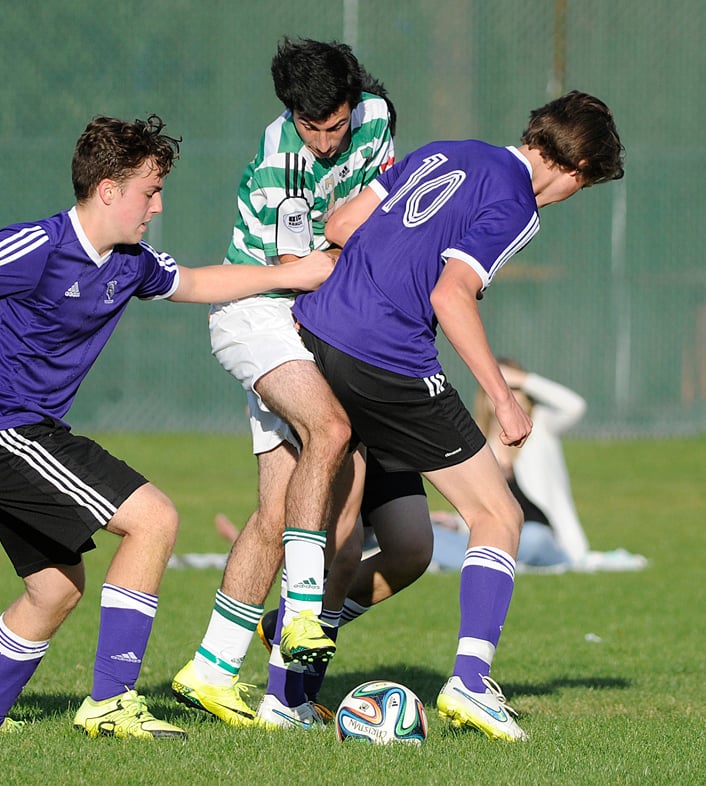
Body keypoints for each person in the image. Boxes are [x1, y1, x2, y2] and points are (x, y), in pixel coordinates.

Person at [0, 114, 334, 739]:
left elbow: (198, 281)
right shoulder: (41, 246)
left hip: (13, 433)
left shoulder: (130, 262)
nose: (158, 205)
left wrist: (290, 274)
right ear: (109, 190)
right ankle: (112, 702)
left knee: (55, 590)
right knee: (153, 519)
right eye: (150, 191)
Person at [292, 90, 625, 742]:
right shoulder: (518, 200)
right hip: (387, 354)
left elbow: (339, 226)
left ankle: (290, 673)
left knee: (411, 546)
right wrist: (502, 396)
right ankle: (471, 683)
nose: (570, 195)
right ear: (576, 165)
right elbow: (452, 293)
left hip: (322, 334)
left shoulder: (448, 150)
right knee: (497, 514)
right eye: (583, 185)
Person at [171, 37, 398, 728]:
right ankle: (300, 615)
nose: (326, 143)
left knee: (281, 516)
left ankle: (215, 672)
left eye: (335, 126)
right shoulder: (280, 168)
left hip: (307, 318)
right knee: (331, 430)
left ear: (353, 105)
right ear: (290, 116)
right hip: (259, 312)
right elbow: (309, 269)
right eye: (311, 128)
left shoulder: (379, 117)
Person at [430, 358, 648, 572]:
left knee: (532, 538)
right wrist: (454, 523)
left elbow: (575, 406)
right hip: (498, 533)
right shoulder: (478, 443)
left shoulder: (541, 427)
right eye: (496, 390)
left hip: (542, 535)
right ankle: (499, 562)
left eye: (513, 389)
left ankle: (489, 562)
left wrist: (523, 379)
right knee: (428, 534)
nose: (506, 396)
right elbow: (481, 504)